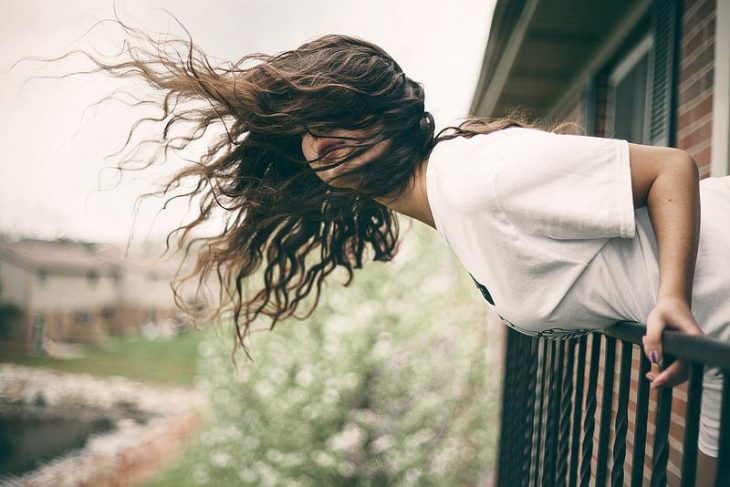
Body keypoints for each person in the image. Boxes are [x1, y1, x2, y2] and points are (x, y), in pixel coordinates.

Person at [67, 28, 728, 484]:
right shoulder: (452, 195)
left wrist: (666, 298)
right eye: (306, 130)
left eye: (334, 119)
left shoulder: (475, 178)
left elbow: (670, 167)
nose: (318, 144)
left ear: (388, 116)